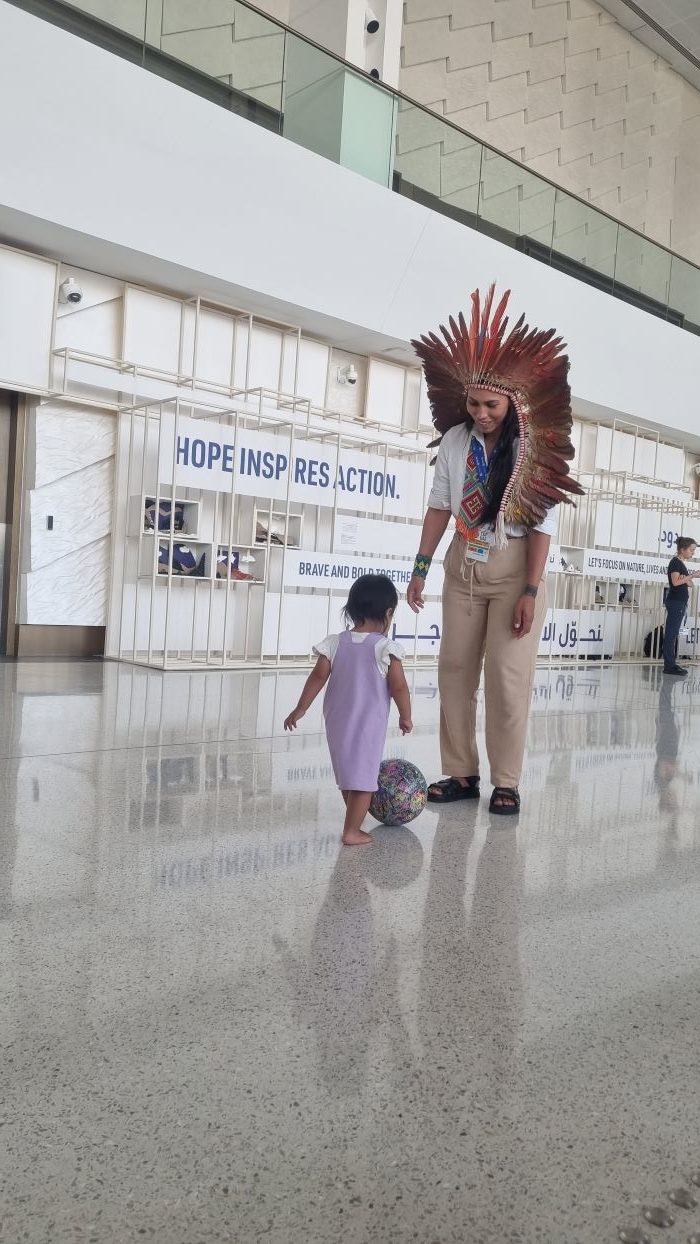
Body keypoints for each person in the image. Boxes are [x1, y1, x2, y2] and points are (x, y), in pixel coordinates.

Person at [408, 284, 583, 816]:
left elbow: (542, 526)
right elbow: (440, 505)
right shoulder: (458, 441)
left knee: (508, 680)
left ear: (513, 402)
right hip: (461, 565)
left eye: (490, 405)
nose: (479, 413)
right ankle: (460, 772)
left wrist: (531, 588)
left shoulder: (532, 448)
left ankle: (506, 780)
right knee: (455, 672)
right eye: (472, 402)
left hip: (513, 571)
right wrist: (419, 568)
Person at [284, 574, 412, 846]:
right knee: (364, 779)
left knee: (348, 775)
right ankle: (351, 830)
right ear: (389, 613)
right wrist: (406, 715)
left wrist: (300, 708)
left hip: (336, 723)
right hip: (368, 725)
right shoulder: (385, 648)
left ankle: (353, 820)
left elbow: (317, 677)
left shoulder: (334, 642)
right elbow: (399, 687)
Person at [663, 536, 698, 676]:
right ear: (682, 549)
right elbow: (676, 582)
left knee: (673, 634)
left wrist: (689, 578)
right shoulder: (675, 563)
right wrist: (692, 575)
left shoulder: (680, 564)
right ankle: (669, 666)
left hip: (680, 602)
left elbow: (688, 583)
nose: (692, 553)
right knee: (671, 635)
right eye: (691, 550)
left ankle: (671, 664)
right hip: (676, 602)